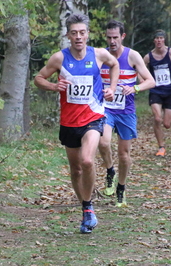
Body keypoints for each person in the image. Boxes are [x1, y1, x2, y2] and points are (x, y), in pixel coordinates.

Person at [34, 14, 119, 234]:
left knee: (88, 160)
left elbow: (115, 64)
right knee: (76, 169)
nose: (78, 37)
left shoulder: (99, 54)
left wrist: (111, 87)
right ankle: (85, 208)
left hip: (93, 117)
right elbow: (39, 78)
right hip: (69, 122)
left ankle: (89, 207)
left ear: (87, 34)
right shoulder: (59, 59)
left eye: (82, 32)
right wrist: (54, 87)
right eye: (74, 33)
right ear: (68, 35)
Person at [98, 20, 155, 207]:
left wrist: (135, 88)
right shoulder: (101, 55)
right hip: (106, 108)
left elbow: (151, 81)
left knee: (124, 154)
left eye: (115, 37)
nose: (112, 41)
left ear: (122, 36)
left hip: (126, 111)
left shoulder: (133, 56)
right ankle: (109, 170)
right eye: (109, 37)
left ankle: (121, 187)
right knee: (103, 142)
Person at [143, 30, 171, 157]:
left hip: (170, 91)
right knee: (157, 118)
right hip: (155, 91)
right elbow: (140, 68)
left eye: (161, 38)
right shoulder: (148, 57)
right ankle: (161, 147)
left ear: (164, 40)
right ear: (154, 41)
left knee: (167, 124)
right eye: (157, 38)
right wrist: (143, 81)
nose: (159, 40)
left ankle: (162, 141)